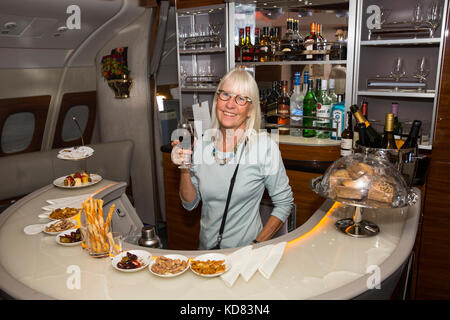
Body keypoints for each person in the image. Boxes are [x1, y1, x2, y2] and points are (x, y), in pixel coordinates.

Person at [171, 68, 293, 250]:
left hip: (245, 255)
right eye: (225, 95)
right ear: (216, 100)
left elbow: (284, 203)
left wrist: (256, 245)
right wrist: (185, 168)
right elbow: (189, 203)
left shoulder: (264, 147)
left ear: (250, 110)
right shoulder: (201, 144)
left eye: (241, 98)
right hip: (206, 254)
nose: (230, 104)